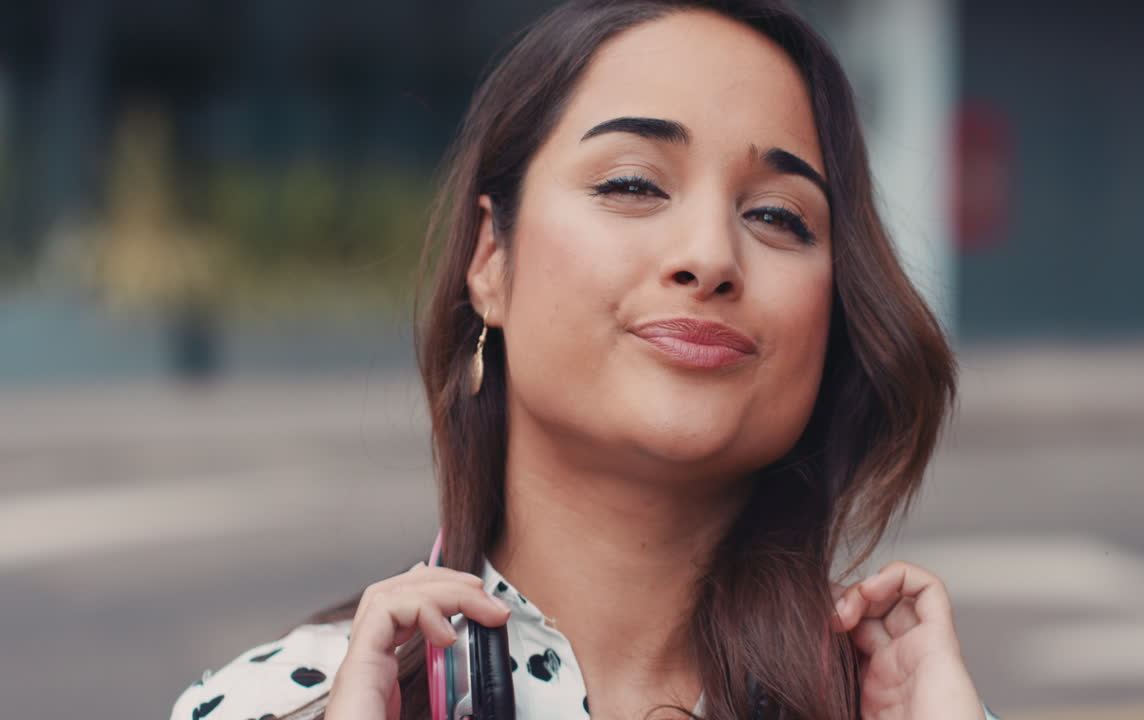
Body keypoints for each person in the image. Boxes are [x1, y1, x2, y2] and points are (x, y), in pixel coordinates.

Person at [169, 1, 1002, 719]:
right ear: (492, 258)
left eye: (779, 216)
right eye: (634, 184)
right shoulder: (278, 704)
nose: (711, 255)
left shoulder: (914, 704)